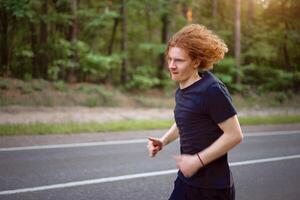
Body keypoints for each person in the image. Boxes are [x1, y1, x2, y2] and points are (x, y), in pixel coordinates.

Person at [147, 24, 243, 200]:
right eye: (170, 59)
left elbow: (235, 135)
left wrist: (197, 161)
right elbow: (185, 120)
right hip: (187, 181)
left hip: (213, 189)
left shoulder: (212, 90)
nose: (171, 66)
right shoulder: (183, 89)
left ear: (196, 62)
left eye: (179, 60)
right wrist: (163, 141)